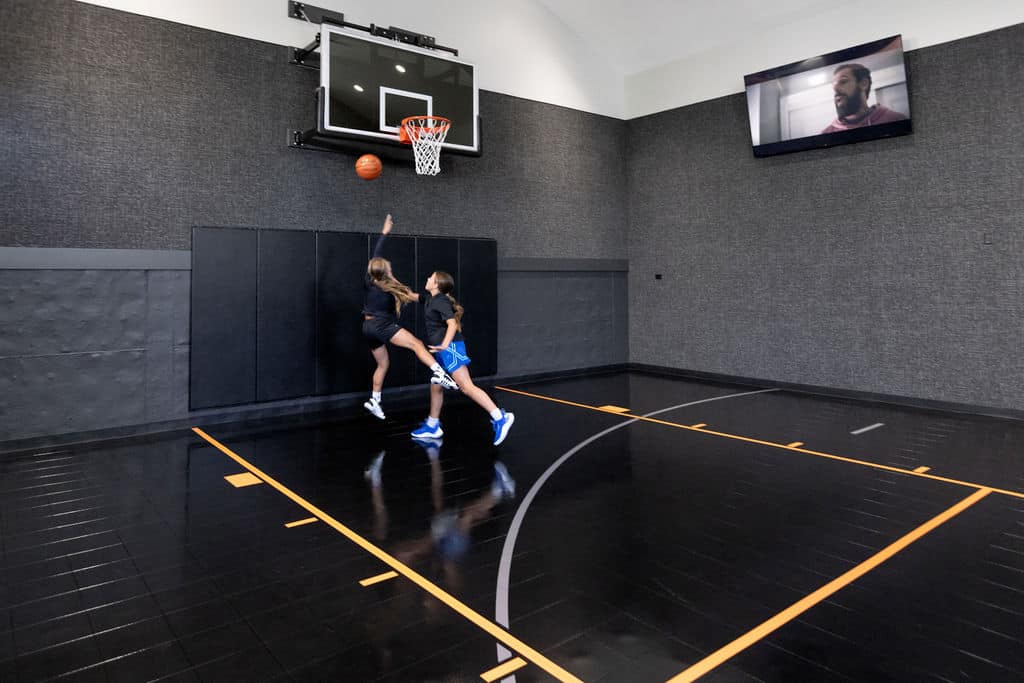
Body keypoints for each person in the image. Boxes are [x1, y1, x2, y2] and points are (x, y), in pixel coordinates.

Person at [362, 215, 458, 420]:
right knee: (417, 344)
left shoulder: (371, 280)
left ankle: (375, 400)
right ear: (385, 271)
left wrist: (384, 233)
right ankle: (439, 373)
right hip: (381, 325)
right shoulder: (390, 286)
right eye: (388, 266)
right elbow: (405, 291)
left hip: (367, 328)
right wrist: (385, 233)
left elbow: (375, 256)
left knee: (383, 364)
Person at [409, 271, 515, 446]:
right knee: (436, 385)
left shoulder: (441, 300)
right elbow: (410, 295)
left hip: (450, 348)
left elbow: (451, 323)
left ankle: (500, 417)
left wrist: (444, 344)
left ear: (436, 284)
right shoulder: (430, 299)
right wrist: (387, 280)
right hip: (443, 350)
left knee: (466, 387)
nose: (427, 279)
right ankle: (433, 425)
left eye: (431, 278)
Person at [821, 63, 907, 133]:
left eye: (843, 82)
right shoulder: (827, 133)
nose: (835, 89)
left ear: (863, 84)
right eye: (833, 86)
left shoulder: (895, 119)